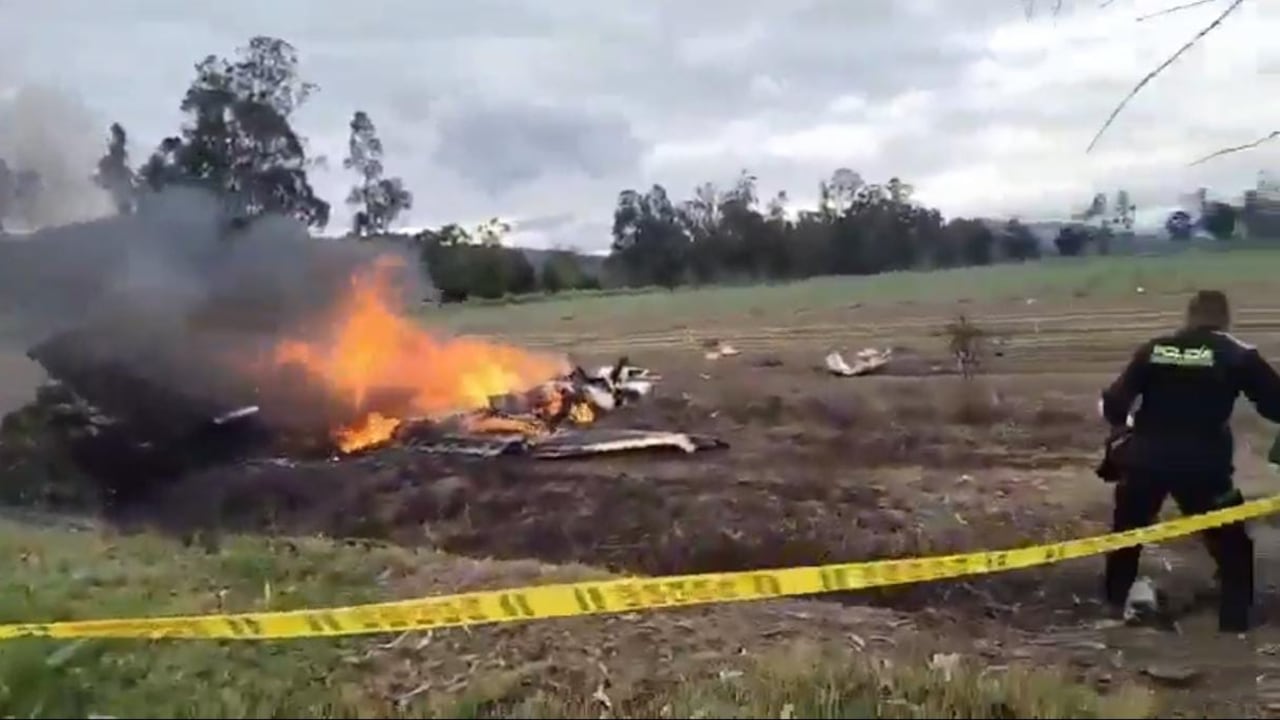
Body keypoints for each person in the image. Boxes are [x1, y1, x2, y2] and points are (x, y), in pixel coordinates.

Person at [1098, 289, 1280, 633]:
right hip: (1204, 469)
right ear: (1225, 318)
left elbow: (1114, 405)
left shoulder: (1154, 349)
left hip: (1144, 463)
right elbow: (1276, 405)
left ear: (1189, 316)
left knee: (1125, 537)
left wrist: (1127, 429)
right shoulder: (1238, 354)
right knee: (1233, 545)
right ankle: (1234, 629)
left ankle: (1112, 612)